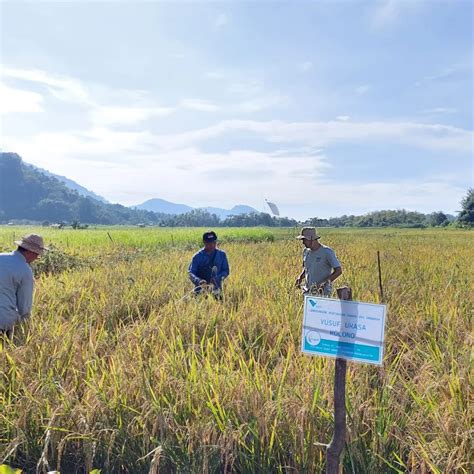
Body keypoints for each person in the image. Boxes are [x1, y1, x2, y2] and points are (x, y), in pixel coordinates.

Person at [0, 233, 47, 339]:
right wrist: (25, 330)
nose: (37, 257)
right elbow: (24, 307)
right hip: (3, 321)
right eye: (37, 254)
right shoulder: (25, 270)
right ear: (30, 252)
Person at [295, 227, 342, 297]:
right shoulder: (306, 251)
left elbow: (338, 271)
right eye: (302, 240)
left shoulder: (327, 252)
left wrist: (324, 284)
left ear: (312, 239)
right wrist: (300, 277)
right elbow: (306, 267)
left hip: (322, 293)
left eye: (305, 240)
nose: (303, 242)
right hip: (307, 291)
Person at [188, 231, 229, 298]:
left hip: (216, 291)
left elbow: (226, 271)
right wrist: (199, 281)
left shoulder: (222, 255)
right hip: (200, 291)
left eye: (214, 242)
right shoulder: (197, 257)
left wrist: (217, 278)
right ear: (204, 243)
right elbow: (191, 273)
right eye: (209, 243)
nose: (212, 245)